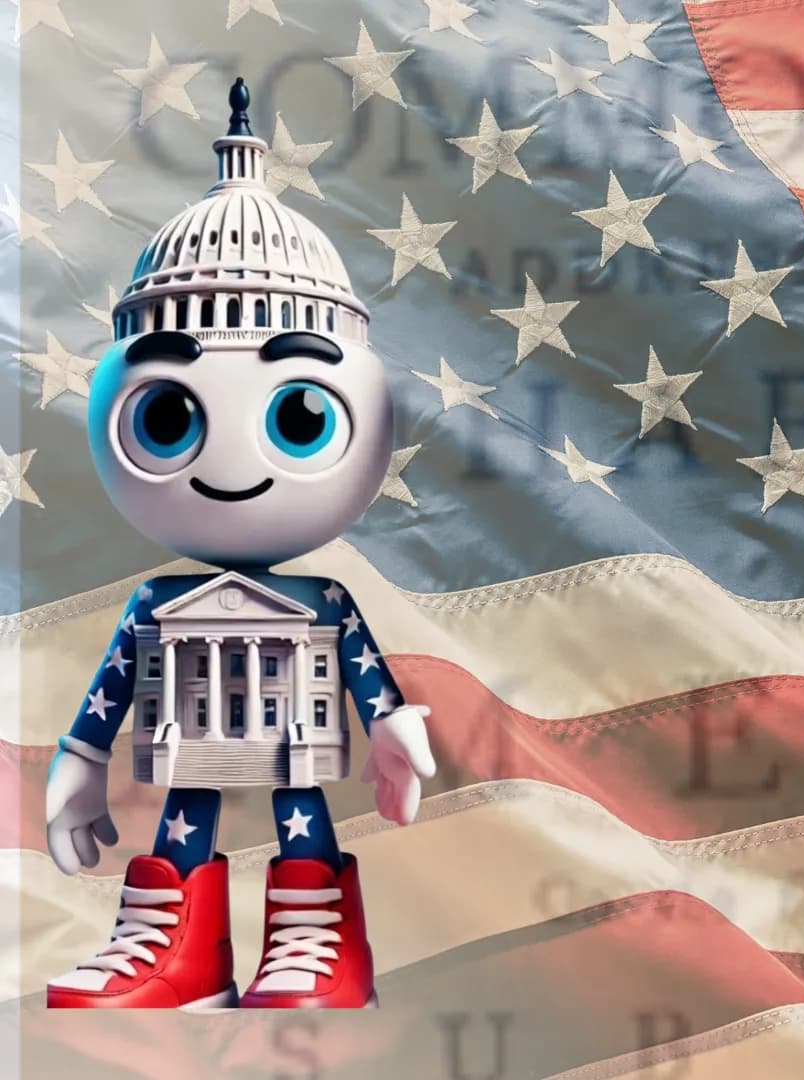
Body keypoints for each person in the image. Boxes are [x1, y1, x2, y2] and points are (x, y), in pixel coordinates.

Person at [39, 80, 436, 1009]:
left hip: (291, 733)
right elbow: (110, 688)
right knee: (188, 817)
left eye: (299, 414)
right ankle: (179, 948)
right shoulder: (156, 607)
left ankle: (317, 942)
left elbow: (362, 666)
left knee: (304, 827)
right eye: (171, 416)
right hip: (194, 733)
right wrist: (82, 762)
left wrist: (390, 724)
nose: (229, 463)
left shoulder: (320, 606)